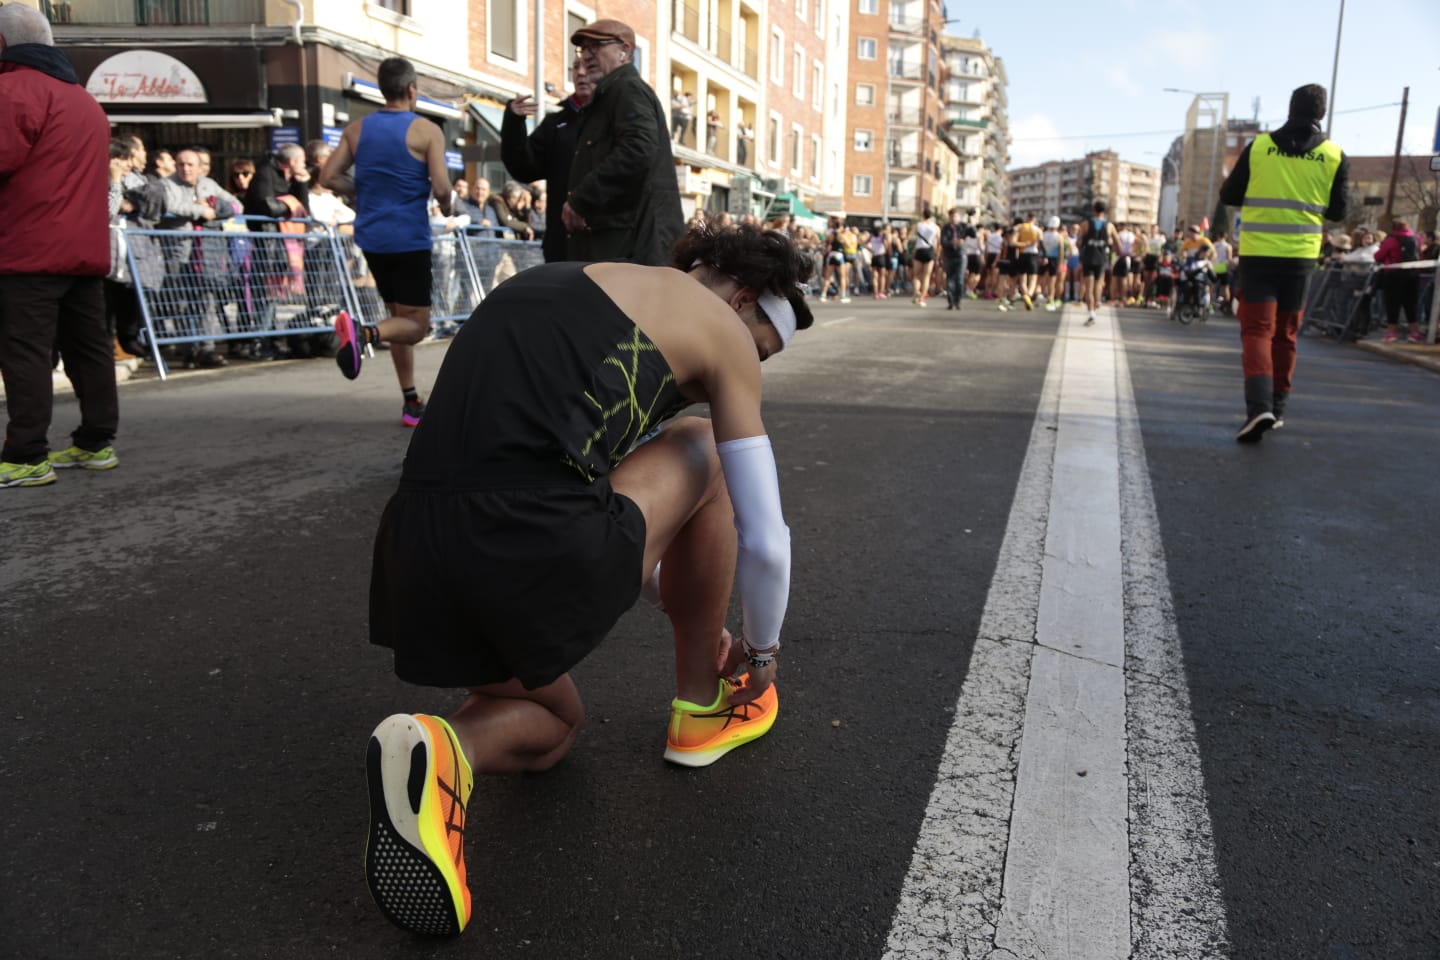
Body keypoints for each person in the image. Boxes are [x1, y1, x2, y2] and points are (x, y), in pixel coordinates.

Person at [362, 223, 813, 937]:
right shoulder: (719, 331)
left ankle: (446, 751)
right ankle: (703, 708)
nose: (753, 367)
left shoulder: (565, 284)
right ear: (744, 297)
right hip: (526, 546)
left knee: (555, 727)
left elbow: (564, 487)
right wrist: (760, 653)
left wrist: (677, 598)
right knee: (706, 449)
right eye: (762, 347)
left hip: (415, 552)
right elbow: (766, 538)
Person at [0, 4, 120, 487]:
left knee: (25, 350)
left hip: (27, 246)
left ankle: (27, 452)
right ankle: (96, 443)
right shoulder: (84, 100)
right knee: (88, 348)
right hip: (85, 248)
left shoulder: (12, 91)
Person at [320, 56, 453, 428]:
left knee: (400, 319)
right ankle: (363, 333)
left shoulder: (357, 129)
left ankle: (411, 402)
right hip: (408, 238)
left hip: (373, 238)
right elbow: (442, 187)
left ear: (382, 89)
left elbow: (328, 176)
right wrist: (445, 204)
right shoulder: (427, 131)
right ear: (412, 90)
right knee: (416, 325)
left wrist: (360, 192)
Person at [1219, 83, 1348, 441]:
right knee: (1286, 334)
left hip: (1259, 255)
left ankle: (1257, 407)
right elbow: (1339, 211)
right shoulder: (1335, 154)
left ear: (1290, 109)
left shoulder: (1260, 146)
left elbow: (1228, 194)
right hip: (1301, 259)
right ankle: (1277, 408)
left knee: (1258, 331)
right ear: (1321, 114)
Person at [564, 19, 684, 265]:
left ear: (625, 50)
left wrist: (581, 199)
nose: (587, 55)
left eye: (596, 46)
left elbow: (639, 149)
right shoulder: (608, 96)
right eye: (583, 49)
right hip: (623, 244)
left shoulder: (626, 89)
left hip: (634, 247)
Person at [502, 58, 594, 262]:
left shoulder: (616, 118)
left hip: (605, 245)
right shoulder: (556, 123)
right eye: (575, 66)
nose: (580, 73)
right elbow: (524, 167)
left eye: (588, 66)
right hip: (561, 245)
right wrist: (514, 123)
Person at [1374, 218, 1424, 343]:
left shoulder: (1391, 240)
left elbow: (1378, 256)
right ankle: (1414, 333)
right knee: (1411, 304)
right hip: (1412, 274)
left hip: (1393, 275)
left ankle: (1392, 333)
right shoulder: (1416, 238)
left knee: (1392, 304)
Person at [1075, 200, 1120, 326]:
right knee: (1098, 284)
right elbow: (1118, 243)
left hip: (1088, 258)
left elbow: (1078, 242)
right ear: (1104, 211)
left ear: (1094, 210)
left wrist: (1082, 250)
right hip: (1101, 259)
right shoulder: (1109, 226)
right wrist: (1115, 254)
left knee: (1089, 287)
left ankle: (1091, 313)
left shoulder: (1085, 224)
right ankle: (1098, 301)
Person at [940, 207, 970, 310]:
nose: (953, 218)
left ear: (959, 217)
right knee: (950, 279)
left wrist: (971, 222)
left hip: (961, 255)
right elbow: (943, 242)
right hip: (949, 256)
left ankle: (958, 300)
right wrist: (953, 242)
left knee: (960, 279)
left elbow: (973, 233)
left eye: (956, 216)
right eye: (951, 216)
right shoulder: (945, 228)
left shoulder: (962, 227)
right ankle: (951, 301)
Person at [910, 209, 939, 307]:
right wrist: (937, 253)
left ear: (923, 215)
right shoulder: (936, 227)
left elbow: (910, 236)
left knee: (916, 275)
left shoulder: (918, 225)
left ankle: (916, 291)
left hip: (919, 250)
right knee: (927, 276)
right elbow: (938, 241)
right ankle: (922, 298)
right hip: (930, 251)